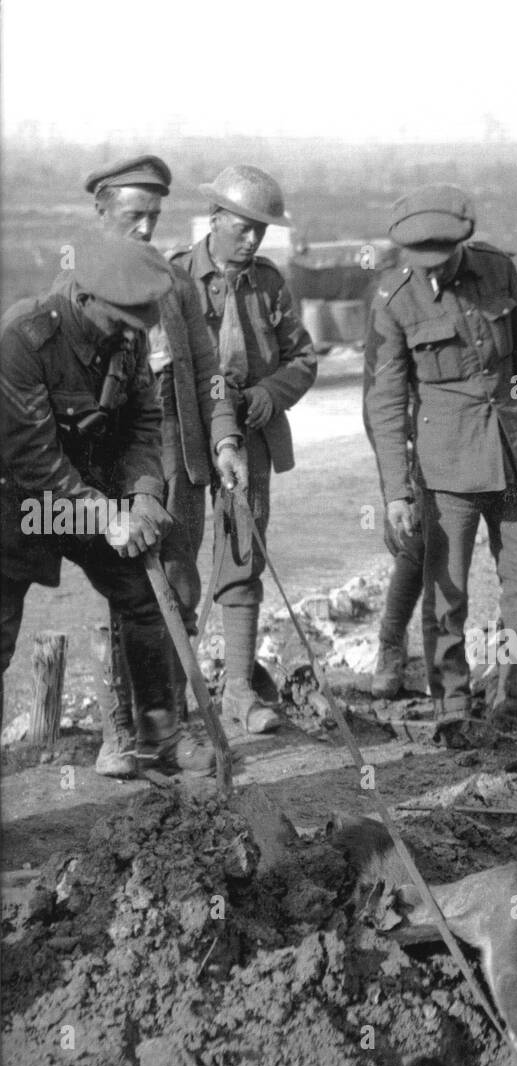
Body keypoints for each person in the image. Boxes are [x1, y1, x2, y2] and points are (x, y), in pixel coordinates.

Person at [364, 184, 517, 745]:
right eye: (422, 257)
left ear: (464, 240)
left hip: (516, 454)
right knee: (446, 593)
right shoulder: (393, 300)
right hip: (446, 466)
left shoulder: (498, 272)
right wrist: (396, 493)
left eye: (446, 253)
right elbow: (385, 403)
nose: (436, 267)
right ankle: (452, 705)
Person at [0, 235, 215, 774]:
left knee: (145, 594)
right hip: (21, 505)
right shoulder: (24, 339)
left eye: (136, 324)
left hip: (87, 500)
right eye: (120, 321)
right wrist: (107, 515)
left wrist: (142, 498)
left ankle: (159, 734)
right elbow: (34, 461)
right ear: (85, 298)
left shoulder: (127, 334)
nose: (130, 333)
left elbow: (145, 421)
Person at [75, 154, 244, 775]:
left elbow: (211, 377)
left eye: (154, 216)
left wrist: (224, 442)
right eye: (132, 216)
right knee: (127, 598)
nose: (146, 229)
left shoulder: (174, 286)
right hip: (115, 468)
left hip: (183, 463)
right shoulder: (77, 288)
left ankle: (167, 732)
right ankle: (120, 735)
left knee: (178, 589)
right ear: (101, 212)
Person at [171, 165, 317, 733]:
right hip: (186, 433)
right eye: (244, 227)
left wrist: (268, 394)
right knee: (175, 559)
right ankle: (171, 704)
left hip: (251, 435)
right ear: (215, 221)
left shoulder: (269, 284)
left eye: (262, 229)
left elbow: (302, 359)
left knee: (242, 554)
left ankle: (236, 692)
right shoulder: (176, 278)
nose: (253, 239)